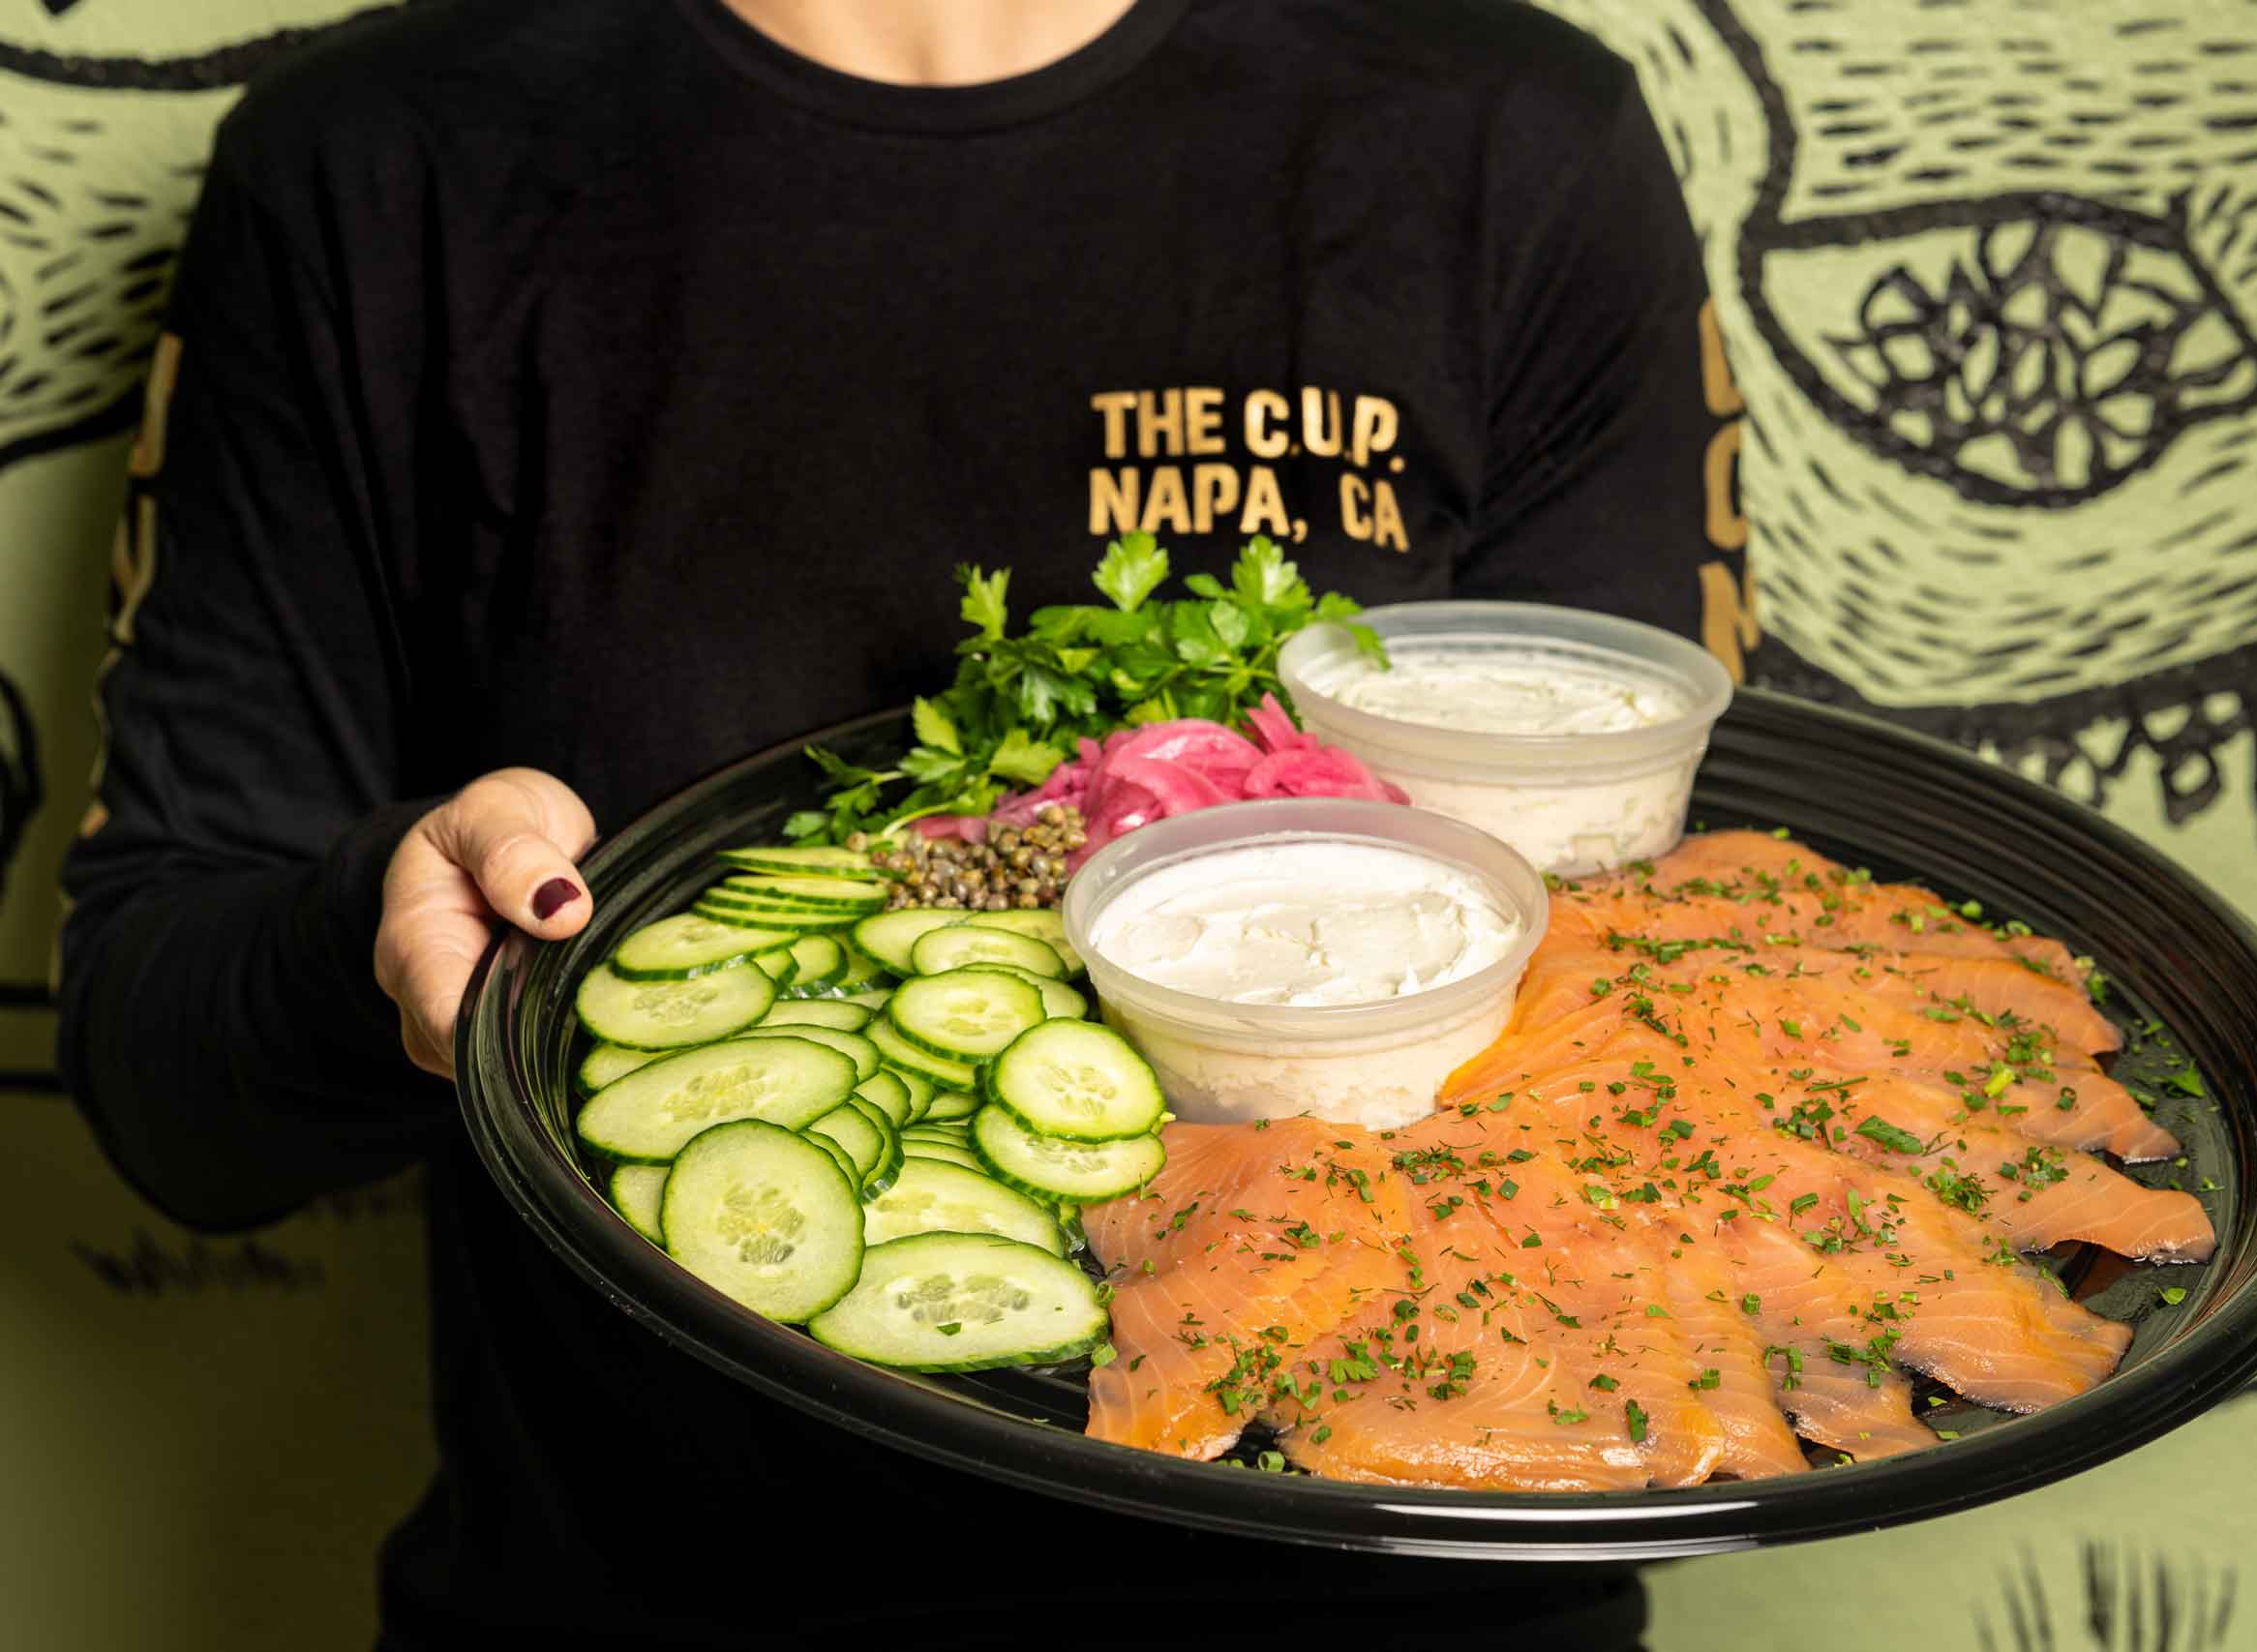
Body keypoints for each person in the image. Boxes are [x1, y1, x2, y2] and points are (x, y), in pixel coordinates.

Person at [57, 1, 1716, 1645]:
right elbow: (167, 1084)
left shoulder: (1513, 137)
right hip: (644, 1599)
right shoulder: (379, 156)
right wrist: (388, 927)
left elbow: (1682, 988)